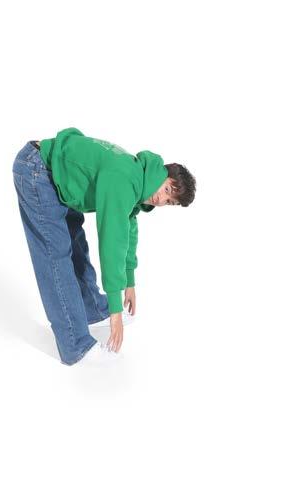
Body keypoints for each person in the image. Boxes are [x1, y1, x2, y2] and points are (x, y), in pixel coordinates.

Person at [12, 127, 196, 366]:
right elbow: (112, 241)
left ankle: (93, 310)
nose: (161, 199)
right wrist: (116, 311)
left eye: (169, 201)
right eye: (167, 189)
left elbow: (128, 230)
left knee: (77, 247)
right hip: (37, 170)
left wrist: (129, 282)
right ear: (163, 173)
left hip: (59, 176)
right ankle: (75, 346)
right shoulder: (125, 178)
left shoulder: (138, 179)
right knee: (55, 257)